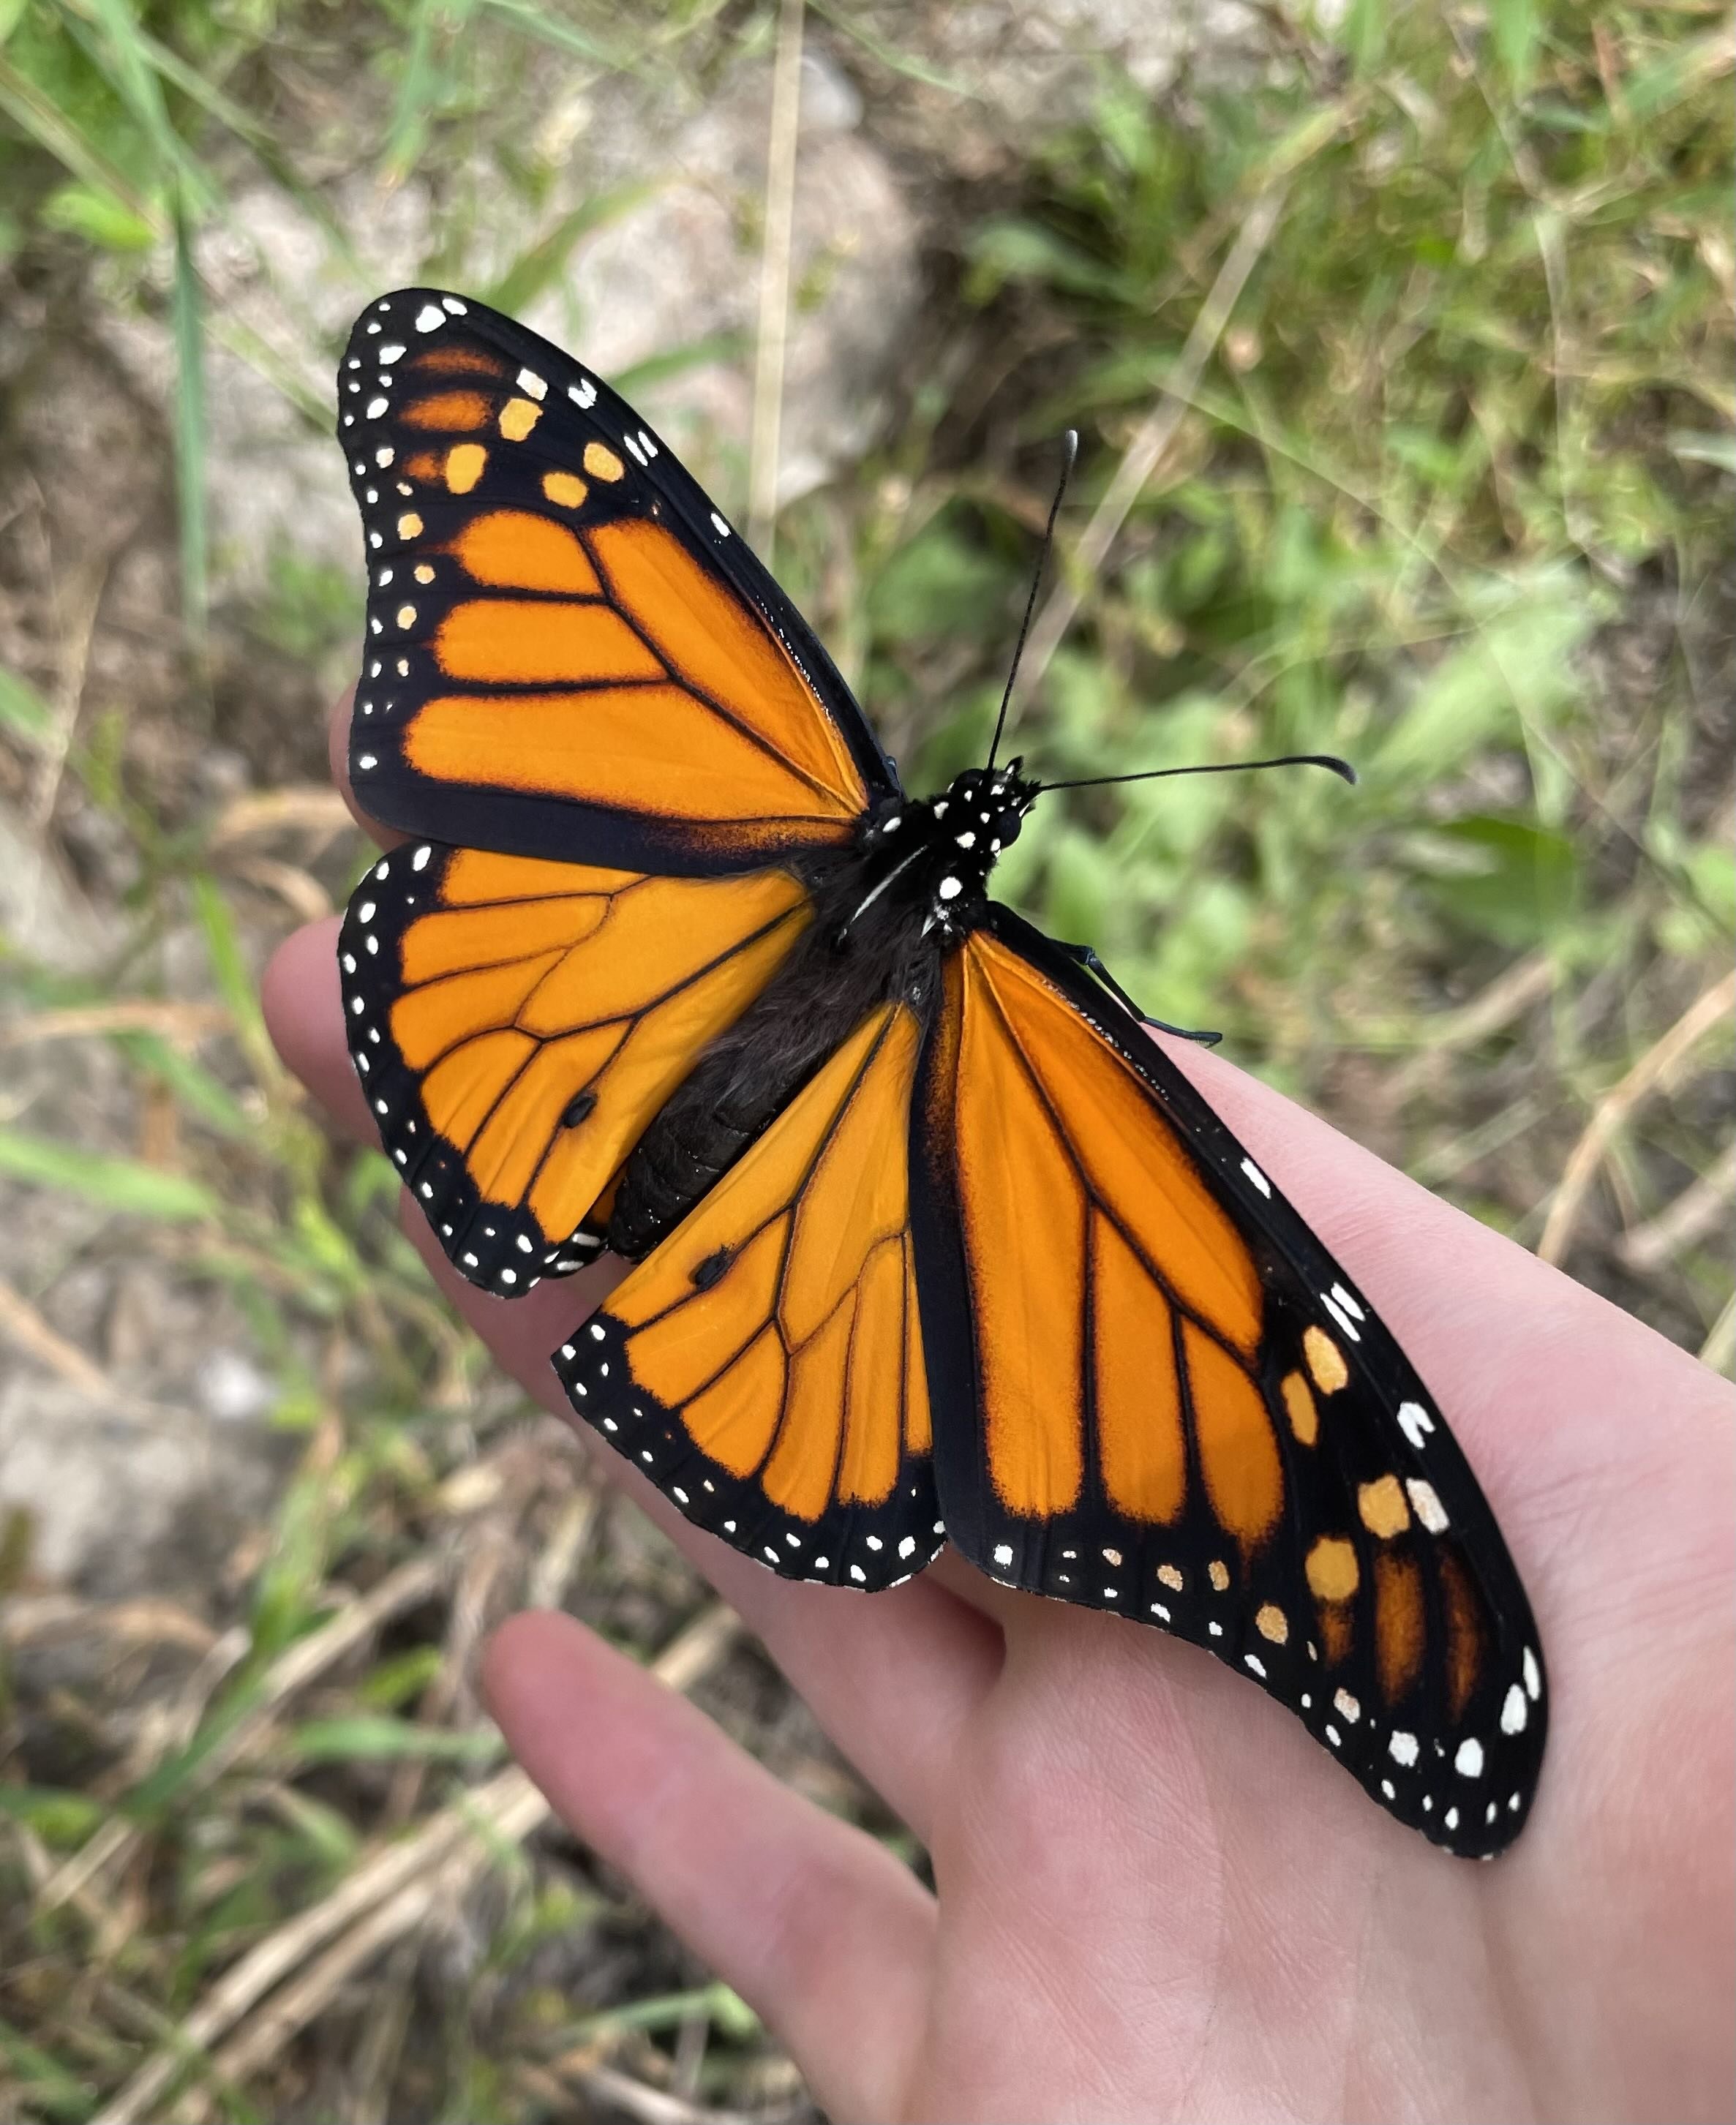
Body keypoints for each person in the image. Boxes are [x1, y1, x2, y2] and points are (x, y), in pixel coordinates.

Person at [262, 690, 1734, 2125]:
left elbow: (1230, 1388)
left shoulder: (991, 985)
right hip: (781, 1270)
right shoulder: (1046, 1044)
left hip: (580, 1053)